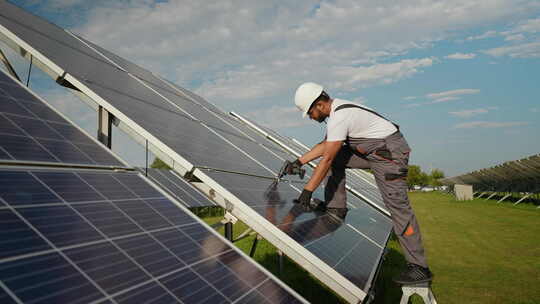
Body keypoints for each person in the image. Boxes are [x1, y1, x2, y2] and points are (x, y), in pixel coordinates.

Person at [283, 82, 433, 285]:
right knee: (335, 157)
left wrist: (307, 192)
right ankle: (336, 208)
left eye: (309, 112)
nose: (310, 117)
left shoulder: (339, 117)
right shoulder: (337, 112)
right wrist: (298, 162)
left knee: (398, 207)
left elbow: (326, 158)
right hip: (375, 152)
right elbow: (326, 146)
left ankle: (419, 267)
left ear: (319, 104)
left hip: (390, 155)